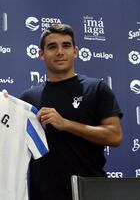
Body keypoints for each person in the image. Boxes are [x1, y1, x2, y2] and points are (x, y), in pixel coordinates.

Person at [20, 24, 123, 200]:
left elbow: (114, 136)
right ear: (41, 54)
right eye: (52, 47)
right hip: (44, 195)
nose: (60, 51)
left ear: (75, 51)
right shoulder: (27, 98)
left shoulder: (97, 88)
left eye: (66, 45)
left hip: (92, 193)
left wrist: (66, 124)